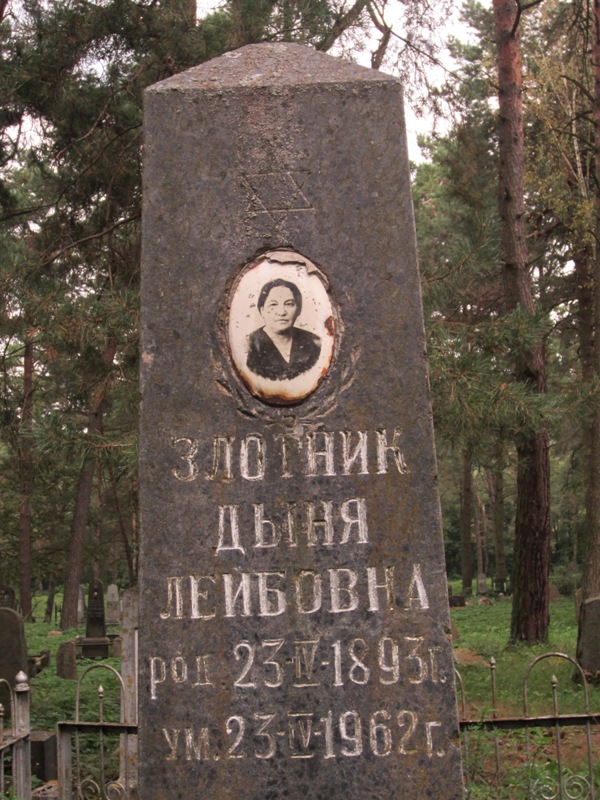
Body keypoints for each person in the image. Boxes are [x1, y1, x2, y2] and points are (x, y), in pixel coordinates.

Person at [245, 278, 321, 380]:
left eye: (289, 304)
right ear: (262, 310)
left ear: (298, 309)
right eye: (273, 304)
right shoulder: (247, 345)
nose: (281, 312)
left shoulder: (315, 343)